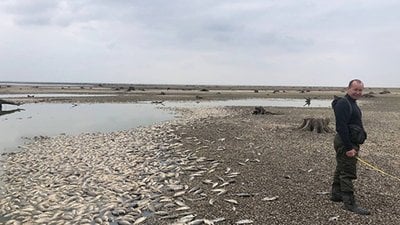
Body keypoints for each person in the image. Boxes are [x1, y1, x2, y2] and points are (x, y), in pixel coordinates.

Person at [330, 79, 370, 215]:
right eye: (355, 89)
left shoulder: (352, 103)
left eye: (360, 90)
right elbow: (341, 127)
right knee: (348, 171)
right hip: (345, 142)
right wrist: (349, 148)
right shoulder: (343, 103)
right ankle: (349, 203)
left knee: (341, 166)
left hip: (349, 141)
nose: (358, 92)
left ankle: (336, 194)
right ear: (348, 89)